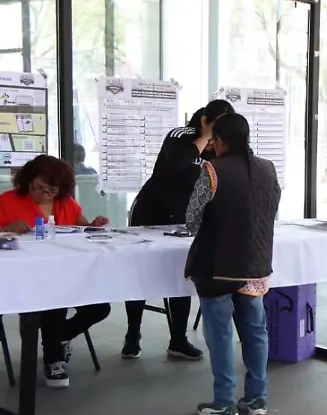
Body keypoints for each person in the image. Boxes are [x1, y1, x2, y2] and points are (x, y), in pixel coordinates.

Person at [185, 113, 280, 415]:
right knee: (255, 331)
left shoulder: (212, 169)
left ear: (221, 141)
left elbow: (192, 219)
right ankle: (257, 398)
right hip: (255, 264)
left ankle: (224, 402)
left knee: (221, 332)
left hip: (217, 264)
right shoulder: (268, 168)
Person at [123, 99, 234, 362]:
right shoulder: (181, 136)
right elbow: (176, 167)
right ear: (205, 120)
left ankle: (178, 339)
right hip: (150, 212)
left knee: (180, 274)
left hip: (182, 217)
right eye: (215, 128)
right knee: (140, 273)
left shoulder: (217, 148)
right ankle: (132, 334)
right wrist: (204, 135)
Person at [0, 155, 111, 388]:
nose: (45, 193)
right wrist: (6, 229)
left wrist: (96, 224)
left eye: (52, 189)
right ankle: (54, 360)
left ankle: (59, 338)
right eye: (40, 187)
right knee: (54, 303)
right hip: (25, 277)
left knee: (101, 306)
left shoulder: (66, 202)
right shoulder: (7, 201)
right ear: (28, 179)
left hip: (70, 273)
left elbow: (83, 227)